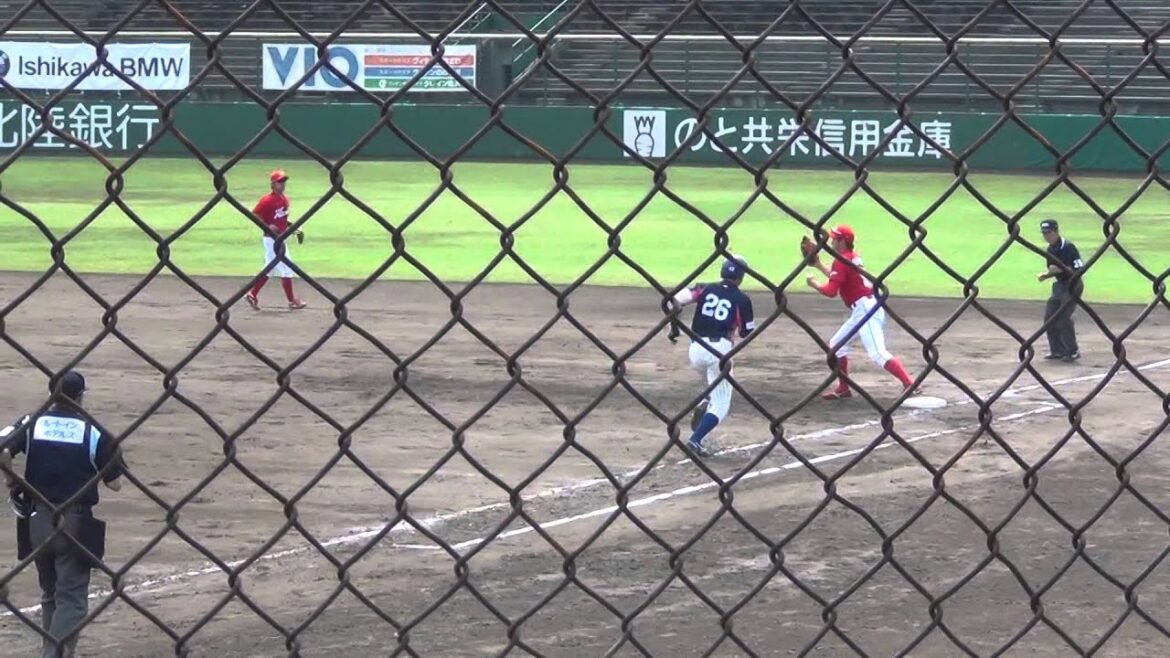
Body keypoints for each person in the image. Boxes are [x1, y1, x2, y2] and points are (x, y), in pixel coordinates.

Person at [0, 371, 124, 658]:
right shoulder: (93, 430)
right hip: (75, 523)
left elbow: (3, 447)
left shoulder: (32, 422)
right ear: (80, 397)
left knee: (50, 593)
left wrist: (11, 480)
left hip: (36, 521)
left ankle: (53, 652)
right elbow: (115, 483)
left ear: (51, 394)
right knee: (72, 599)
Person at [805, 224, 918, 400]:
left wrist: (814, 284)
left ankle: (909, 384)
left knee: (877, 353)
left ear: (842, 241)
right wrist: (819, 265)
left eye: (835, 238)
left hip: (866, 310)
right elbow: (838, 277)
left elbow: (831, 291)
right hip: (865, 308)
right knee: (836, 345)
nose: (832, 241)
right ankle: (844, 388)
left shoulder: (841, 261)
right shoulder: (850, 257)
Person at [668, 255, 756, 457]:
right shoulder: (742, 299)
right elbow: (746, 332)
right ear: (742, 276)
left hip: (695, 349)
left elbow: (675, 301)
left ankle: (707, 399)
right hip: (719, 352)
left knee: (713, 381)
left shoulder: (704, 288)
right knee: (722, 404)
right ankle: (696, 440)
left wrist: (674, 327)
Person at [245, 169, 307, 311]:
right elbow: (254, 215)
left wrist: (294, 229)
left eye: (284, 181)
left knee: (270, 268)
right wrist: (266, 226)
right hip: (271, 240)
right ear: (273, 184)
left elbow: (282, 220)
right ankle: (292, 301)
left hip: (279, 239)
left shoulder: (284, 200)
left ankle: (252, 294)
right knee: (287, 269)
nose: (283, 184)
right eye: (280, 182)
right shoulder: (267, 200)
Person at [1036, 219, 1084, 362]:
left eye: (1049, 233)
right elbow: (1053, 270)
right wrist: (1046, 275)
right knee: (1049, 318)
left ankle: (1072, 351)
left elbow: (1079, 269)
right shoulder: (1050, 250)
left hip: (1073, 285)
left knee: (1063, 318)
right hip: (1059, 285)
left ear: (1056, 231)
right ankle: (1057, 350)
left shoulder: (1069, 247)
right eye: (1044, 233)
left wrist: (1061, 269)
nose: (1046, 236)